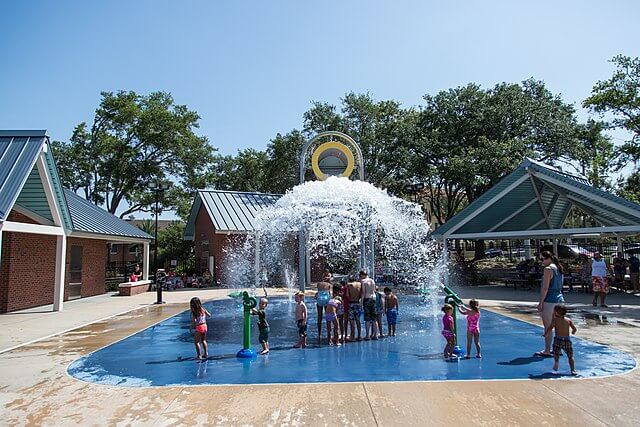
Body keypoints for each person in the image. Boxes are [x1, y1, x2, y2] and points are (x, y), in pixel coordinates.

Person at [535, 251, 564, 358]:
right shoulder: (558, 268)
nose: (541, 262)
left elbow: (545, 287)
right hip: (559, 299)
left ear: (549, 259)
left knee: (548, 326)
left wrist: (541, 302)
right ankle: (558, 348)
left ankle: (547, 350)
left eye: (543, 259)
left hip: (550, 300)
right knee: (558, 326)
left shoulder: (548, 269)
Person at [543, 305, 578, 375]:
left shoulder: (555, 320)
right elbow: (574, 329)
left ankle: (556, 362)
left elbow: (550, 328)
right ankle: (573, 369)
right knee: (570, 355)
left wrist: (546, 334)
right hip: (567, 339)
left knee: (556, 353)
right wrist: (573, 332)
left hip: (558, 339)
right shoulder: (568, 320)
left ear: (556, 312)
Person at [360, 270, 378, 340]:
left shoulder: (363, 281)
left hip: (367, 299)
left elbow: (363, 292)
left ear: (362, 275)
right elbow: (374, 290)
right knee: (374, 318)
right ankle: (375, 335)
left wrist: (361, 302)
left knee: (367, 319)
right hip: (373, 299)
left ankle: (367, 335)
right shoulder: (372, 280)